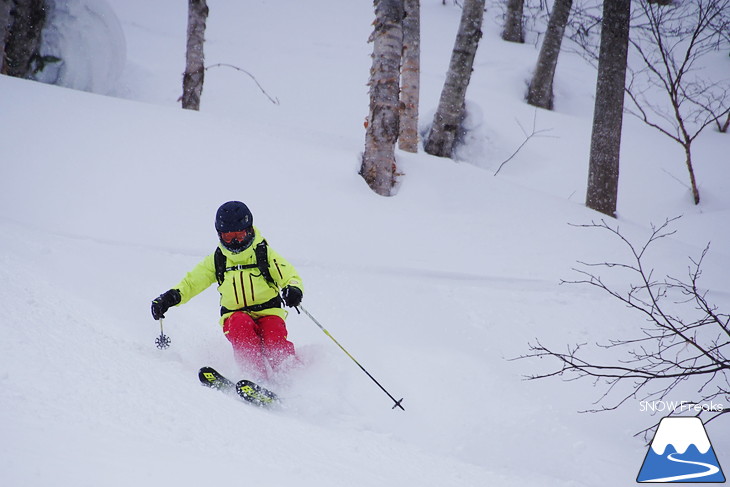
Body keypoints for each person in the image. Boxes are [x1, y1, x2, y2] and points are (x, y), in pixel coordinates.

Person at [151, 201, 303, 380]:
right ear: (220, 235)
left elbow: (289, 275)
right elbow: (192, 283)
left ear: (249, 230)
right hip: (234, 314)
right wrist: (170, 298)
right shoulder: (218, 260)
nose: (235, 242)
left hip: (268, 311)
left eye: (239, 235)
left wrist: (293, 290)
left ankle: (292, 377)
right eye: (228, 237)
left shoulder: (264, 253)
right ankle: (255, 377)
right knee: (240, 324)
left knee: (273, 334)